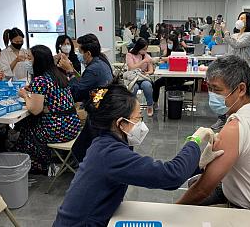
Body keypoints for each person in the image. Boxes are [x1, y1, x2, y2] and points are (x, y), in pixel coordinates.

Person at [53, 83, 223, 227]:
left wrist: (198, 164)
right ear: (121, 123)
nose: (141, 124)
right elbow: (170, 175)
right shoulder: (110, 154)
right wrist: (194, 140)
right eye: (137, 118)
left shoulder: (104, 143)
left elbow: (153, 171)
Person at [177, 55, 250, 209]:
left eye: (217, 90)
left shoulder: (235, 127)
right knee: (194, 182)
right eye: (210, 88)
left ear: (241, 89)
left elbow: (202, 190)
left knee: (196, 188)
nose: (212, 95)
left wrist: (173, 209)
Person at [14, 45, 81, 175]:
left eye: (30, 57)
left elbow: (34, 110)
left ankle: (41, 165)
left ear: (38, 60)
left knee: (26, 129)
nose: (27, 60)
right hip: (73, 126)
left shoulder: (40, 80)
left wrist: (25, 95)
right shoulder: (58, 75)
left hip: (58, 130)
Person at [59, 33, 113, 163]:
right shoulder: (102, 61)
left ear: (88, 53)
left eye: (80, 51)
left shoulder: (94, 68)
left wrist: (70, 72)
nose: (79, 54)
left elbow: (76, 93)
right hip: (102, 106)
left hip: (97, 112)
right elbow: (84, 83)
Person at [214, 12, 250, 131]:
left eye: (243, 18)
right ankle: (222, 118)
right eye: (240, 18)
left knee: (239, 95)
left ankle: (240, 120)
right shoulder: (235, 34)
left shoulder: (249, 35)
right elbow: (220, 42)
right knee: (225, 94)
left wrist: (226, 31)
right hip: (230, 68)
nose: (240, 20)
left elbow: (236, 45)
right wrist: (218, 30)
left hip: (241, 69)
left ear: (249, 22)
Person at [153, 34, 186, 110]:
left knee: (157, 84)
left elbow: (170, 59)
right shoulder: (169, 50)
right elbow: (166, 59)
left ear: (174, 42)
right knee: (156, 84)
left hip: (177, 77)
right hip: (169, 75)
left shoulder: (179, 50)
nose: (168, 44)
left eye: (170, 42)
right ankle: (155, 102)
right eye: (168, 42)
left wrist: (161, 58)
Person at [126, 38, 154, 116]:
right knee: (133, 88)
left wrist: (146, 73)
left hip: (143, 78)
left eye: (146, 49)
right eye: (143, 49)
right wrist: (143, 61)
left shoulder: (146, 56)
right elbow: (131, 67)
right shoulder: (129, 55)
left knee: (147, 86)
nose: (145, 51)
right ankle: (132, 108)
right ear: (138, 47)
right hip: (133, 78)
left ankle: (150, 106)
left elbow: (151, 70)